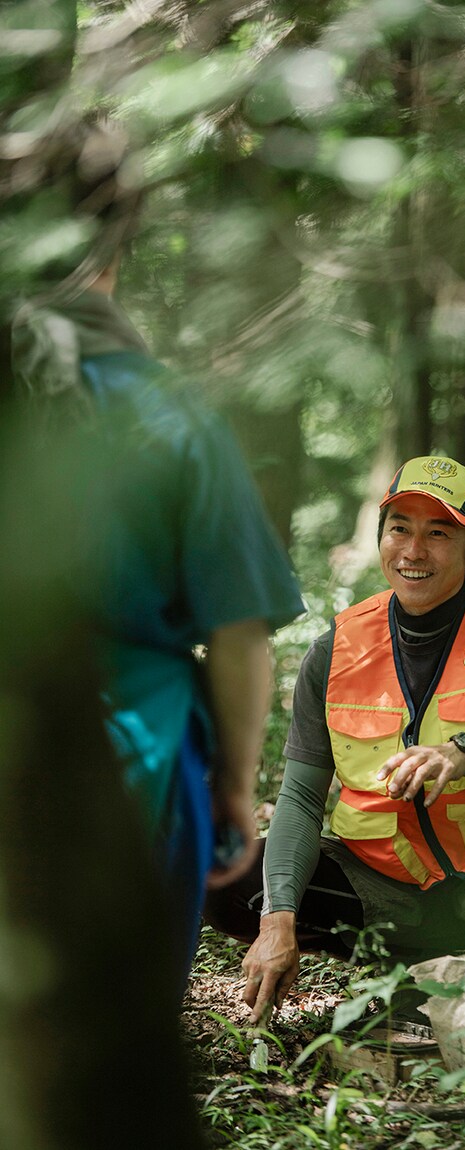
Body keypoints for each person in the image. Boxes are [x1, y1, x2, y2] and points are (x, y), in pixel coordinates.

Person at [10, 125, 305, 976]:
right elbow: (241, 632)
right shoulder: (169, 415)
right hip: (138, 749)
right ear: (115, 241)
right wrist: (237, 788)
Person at [205, 455, 465, 1024]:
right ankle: (415, 966)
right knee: (221, 873)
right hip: (385, 889)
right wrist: (277, 918)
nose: (413, 551)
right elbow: (302, 798)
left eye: (439, 533)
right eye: (400, 528)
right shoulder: (337, 648)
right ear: (381, 535)